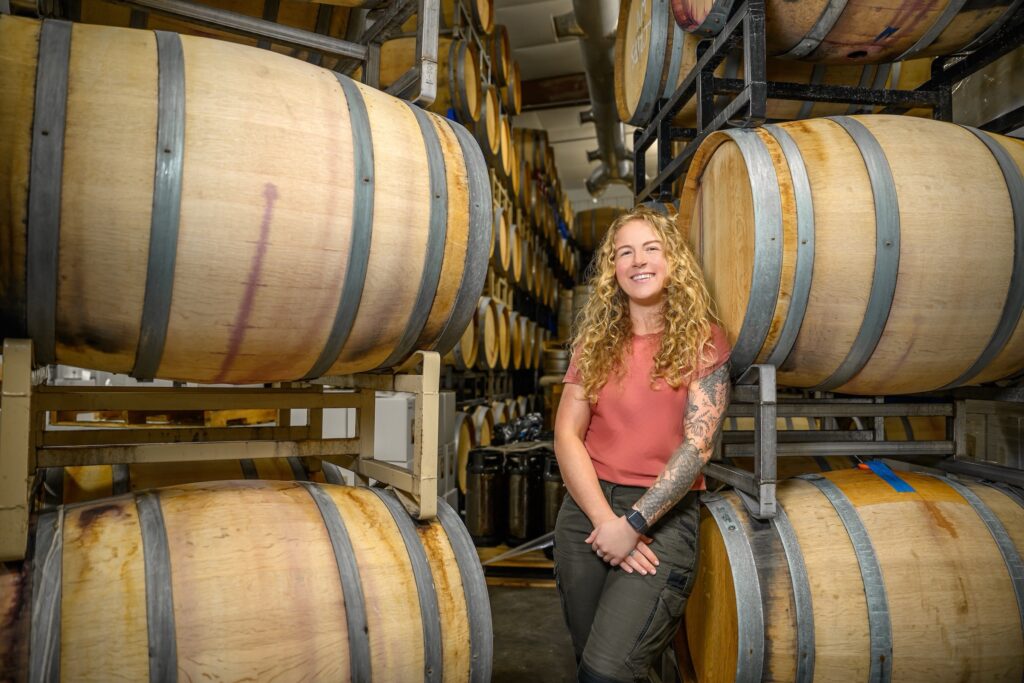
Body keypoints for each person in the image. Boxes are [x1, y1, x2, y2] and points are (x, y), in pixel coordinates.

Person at [553, 206, 731, 682]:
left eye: (652, 249)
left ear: (673, 261)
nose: (639, 261)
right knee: (588, 654)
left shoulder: (703, 341)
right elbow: (566, 434)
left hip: (663, 517)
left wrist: (633, 523)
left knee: (608, 670)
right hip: (586, 514)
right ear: (613, 268)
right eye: (625, 252)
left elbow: (698, 446)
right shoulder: (594, 341)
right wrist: (605, 521)